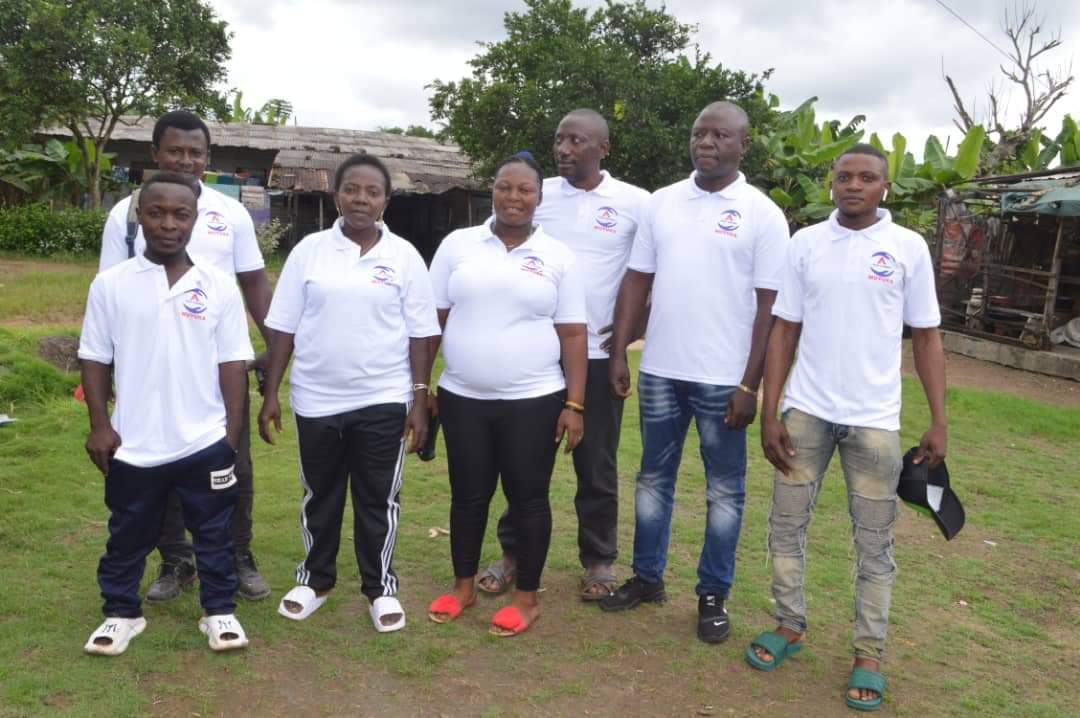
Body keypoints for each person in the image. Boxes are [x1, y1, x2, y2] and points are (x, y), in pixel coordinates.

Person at [747, 144, 947, 712]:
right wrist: (770, 409)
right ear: (830, 183)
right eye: (843, 176)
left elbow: (927, 335)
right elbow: (784, 329)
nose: (853, 185)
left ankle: (869, 652)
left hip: (875, 421)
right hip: (806, 413)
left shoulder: (907, 247)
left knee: (875, 542)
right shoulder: (806, 243)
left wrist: (938, 419)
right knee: (786, 526)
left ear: (885, 187)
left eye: (866, 177)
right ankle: (789, 624)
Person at [603, 101, 790, 645]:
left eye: (720, 135)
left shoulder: (762, 214)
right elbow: (637, 280)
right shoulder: (662, 202)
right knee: (652, 479)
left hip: (724, 380)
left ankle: (713, 594)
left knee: (724, 491)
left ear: (744, 145)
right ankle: (647, 578)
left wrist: (750, 384)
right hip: (661, 370)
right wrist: (620, 352)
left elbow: (771, 308)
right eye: (698, 133)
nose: (706, 143)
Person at [258, 154, 439, 633]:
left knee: (378, 497)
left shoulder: (404, 257)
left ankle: (380, 589)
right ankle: (315, 581)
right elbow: (283, 328)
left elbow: (421, 333)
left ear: (386, 201)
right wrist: (271, 392)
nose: (361, 199)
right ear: (335, 195)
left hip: (383, 396)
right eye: (352, 190)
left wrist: (420, 399)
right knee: (320, 494)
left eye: (372, 192)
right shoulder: (309, 252)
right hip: (316, 398)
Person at [98, 110, 273, 602]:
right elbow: (107, 293)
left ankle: (237, 554)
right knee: (157, 461)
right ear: (155, 153)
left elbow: (254, 283)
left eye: (196, 152)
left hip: (216, 364)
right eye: (175, 150)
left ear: (207, 157)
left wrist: (276, 346)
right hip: (148, 364)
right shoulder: (127, 214)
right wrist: (106, 374)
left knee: (230, 461)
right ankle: (176, 559)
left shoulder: (231, 213)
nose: (185, 160)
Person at [477, 109, 649, 601]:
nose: (564, 149)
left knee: (596, 463)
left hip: (597, 356)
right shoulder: (537, 194)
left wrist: (632, 333)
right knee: (525, 460)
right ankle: (514, 553)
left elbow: (651, 271)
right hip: (536, 353)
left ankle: (598, 560)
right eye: (559, 140)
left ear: (604, 148)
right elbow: (494, 250)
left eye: (577, 141)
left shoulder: (636, 203)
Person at [79, 172, 253, 655]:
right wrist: (100, 425)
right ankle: (121, 614)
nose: (169, 224)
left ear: (195, 220)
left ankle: (219, 611)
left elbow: (232, 364)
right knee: (128, 533)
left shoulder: (218, 286)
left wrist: (230, 435)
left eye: (181, 215)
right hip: (134, 443)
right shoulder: (111, 285)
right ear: (140, 216)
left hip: (203, 440)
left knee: (214, 532)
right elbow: (94, 357)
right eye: (157, 213)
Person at [426, 154, 588, 636]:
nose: (513, 197)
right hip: (462, 397)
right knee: (467, 496)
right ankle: (463, 587)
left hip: (535, 399)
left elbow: (573, 334)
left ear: (539, 197)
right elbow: (431, 322)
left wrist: (574, 404)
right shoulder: (458, 245)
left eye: (525, 190)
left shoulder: (558, 256)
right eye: (504, 187)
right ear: (491, 190)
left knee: (528, 498)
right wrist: (419, 387)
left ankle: (526, 598)